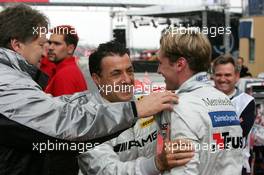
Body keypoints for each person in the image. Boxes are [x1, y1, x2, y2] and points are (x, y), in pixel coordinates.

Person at [0, 4, 178, 175]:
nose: (45, 51)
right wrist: (156, 162)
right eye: (41, 44)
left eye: (130, 71)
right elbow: (64, 124)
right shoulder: (10, 80)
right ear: (17, 45)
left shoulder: (144, 101)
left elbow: (57, 108)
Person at [78, 41, 194, 175]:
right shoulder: (85, 121)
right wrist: (157, 163)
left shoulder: (149, 102)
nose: (127, 80)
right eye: (116, 74)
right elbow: (108, 171)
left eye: (130, 71)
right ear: (97, 79)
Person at [157, 27, 243, 175]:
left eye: (160, 62)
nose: (158, 70)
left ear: (180, 64)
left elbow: (184, 171)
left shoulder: (181, 105)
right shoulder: (224, 99)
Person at [212, 55, 256, 174]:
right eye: (218, 75)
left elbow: (239, 134)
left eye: (227, 75)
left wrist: (212, 125)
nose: (222, 79)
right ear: (213, 76)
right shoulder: (204, 99)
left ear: (236, 76)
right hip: (209, 166)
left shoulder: (246, 101)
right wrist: (232, 122)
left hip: (237, 166)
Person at [44, 25, 87, 96]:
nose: (50, 47)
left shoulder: (66, 74)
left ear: (70, 49)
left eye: (57, 44)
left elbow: (64, 107)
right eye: (50, 43)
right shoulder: (65, 70)